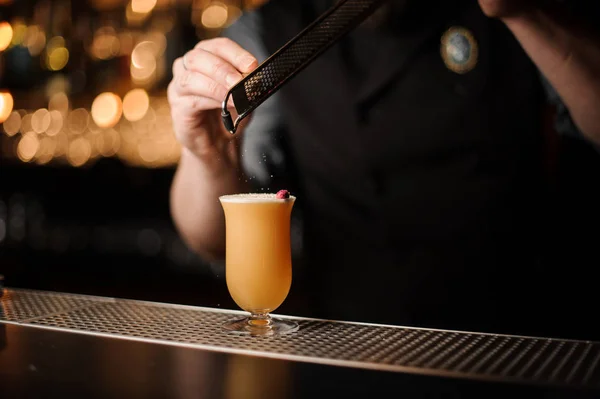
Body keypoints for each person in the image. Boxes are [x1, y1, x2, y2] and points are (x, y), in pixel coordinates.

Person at [168, 0, 600, 337]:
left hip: (513, 338)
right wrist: (206, 153)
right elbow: (213, 240)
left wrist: (527, 13)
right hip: (350, 341)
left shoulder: (527, 16)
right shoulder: (266, 37)